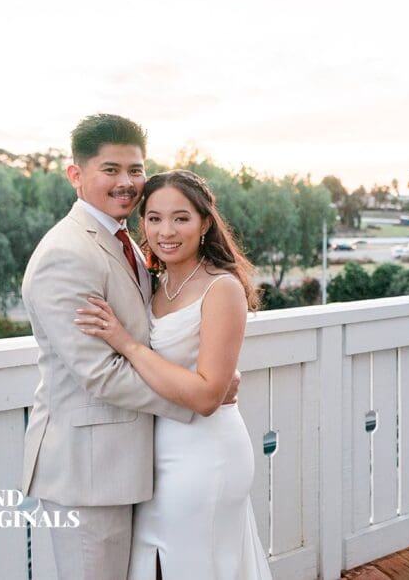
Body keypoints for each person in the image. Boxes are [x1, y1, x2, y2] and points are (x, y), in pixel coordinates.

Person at [20, 114, 239, 580]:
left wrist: (205, 380)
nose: (126, 183)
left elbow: (149, 335)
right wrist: (200, 394)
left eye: (135, 169)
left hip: (136, 463)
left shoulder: (127, 243)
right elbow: (99, 373)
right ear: (76, 175)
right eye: (111, 169)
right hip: (88, 471)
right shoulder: (66, 254)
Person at [75, 169, 273, 580]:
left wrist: (125, 342)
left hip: (206, 456)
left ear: (204, 223)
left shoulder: (222, 289)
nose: (166, 230)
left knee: (200, 565)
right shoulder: (153, 282)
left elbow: (205, 397)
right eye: (154, 218)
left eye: (181, 218)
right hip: (154, 455)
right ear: (142, 223)